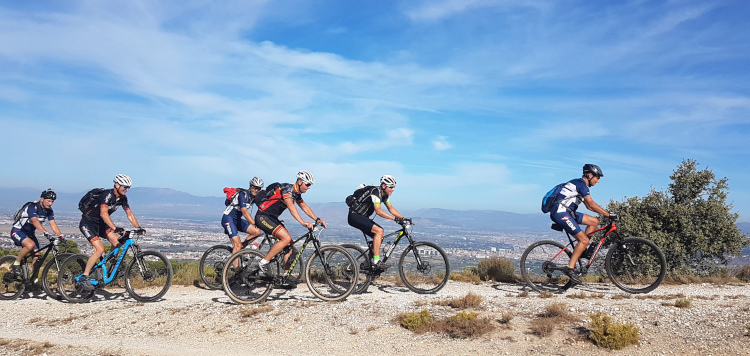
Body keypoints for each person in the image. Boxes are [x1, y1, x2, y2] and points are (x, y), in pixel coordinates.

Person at [254, 170, 326, 284]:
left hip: (272, 218)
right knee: (286, 238)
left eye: (310, 185)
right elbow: (291, 207)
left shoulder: (296, 193)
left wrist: (317, 219)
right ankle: (263, 263)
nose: (309, 187)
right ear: (300, 182)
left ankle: (286, 276)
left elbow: (304, 206)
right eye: (307, 184)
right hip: (263, 216)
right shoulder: (287, 189)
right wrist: (303, 222)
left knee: (290, 246)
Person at [549, 164, 616, 284]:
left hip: (568, 212)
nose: (598, 181)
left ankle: (583, 249)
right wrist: (608, 214)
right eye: (597, 177)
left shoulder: (579, 184)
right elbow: (591, 203)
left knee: (594, 221)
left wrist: (603, 214)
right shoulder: (581, 184)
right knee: (584, 240)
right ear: (590, 175)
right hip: (561, 213)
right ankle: (570, 267)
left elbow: (589, 206)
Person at [77, 174, 145, 290]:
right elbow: (103, 213)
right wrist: (114, 227)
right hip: (88, 224)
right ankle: (84, 276)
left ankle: (108, 266)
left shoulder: (123, 199)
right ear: (117, 185)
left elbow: (129, 214)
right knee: (100, 249)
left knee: (116, 242)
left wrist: (138, 227)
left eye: (129, 188)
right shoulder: (107, 195)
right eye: (125, 187)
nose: (127, 190)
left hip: (102, 225)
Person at [347, 175, 405, 270]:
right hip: (354, 216)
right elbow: (378, 211)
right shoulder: (375, 192)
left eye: (393, 187)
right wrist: (395, 219)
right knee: (379, 231)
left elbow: (390, 208)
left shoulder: (384, 195)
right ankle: (376, 261)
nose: (393, 189)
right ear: (383, 186)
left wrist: (403, 218)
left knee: (378, 237)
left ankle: (367, 263)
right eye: (391, 187)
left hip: (362, 217)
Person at [9, 189, 64, 279]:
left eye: (52, 202)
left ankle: (33, 279)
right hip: (18, 231)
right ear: (42, 199)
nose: (50, 204)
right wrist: (45, 232)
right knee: (30, 245)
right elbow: (35, 221)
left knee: (37, 256)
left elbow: (53, 224)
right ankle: (16, 263)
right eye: (49, 201)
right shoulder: (32, 206)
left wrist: (61, 235)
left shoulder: (49, 211)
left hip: (30, 234)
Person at [222, 177, 264, 255]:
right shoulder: (243, 195)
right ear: (250, 186)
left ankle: (241, 249)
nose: (256, 190)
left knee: (257, 231)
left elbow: (263, 208)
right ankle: (236, 265)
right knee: (237, 246)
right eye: (254, 187)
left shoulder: (253, 198)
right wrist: (255, 223)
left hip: (237, 220)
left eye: (258, 188)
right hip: (228, 219)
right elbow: (244, 212)